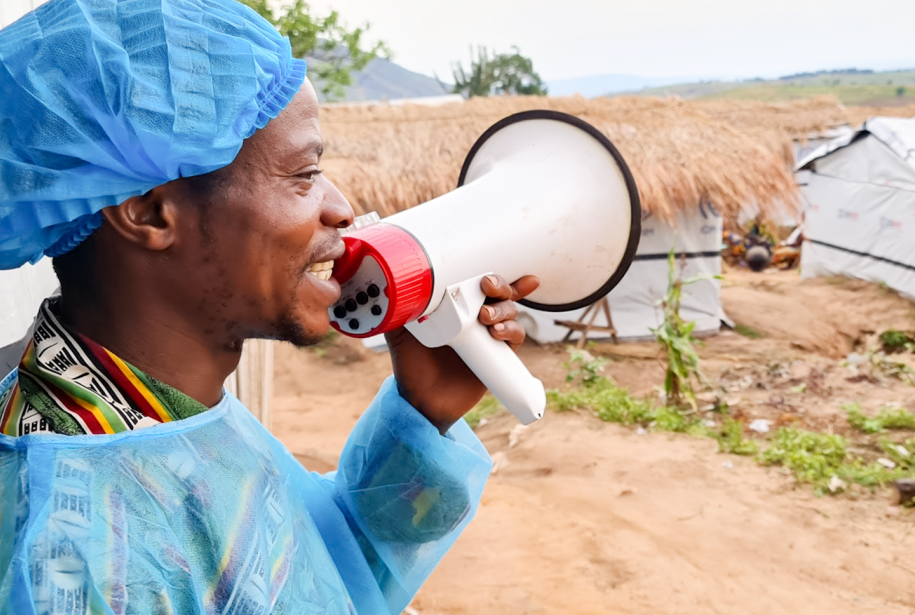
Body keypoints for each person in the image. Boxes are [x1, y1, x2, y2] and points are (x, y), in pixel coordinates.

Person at [0, 0, 538, 613]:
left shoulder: (166, 419)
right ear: (149, 211)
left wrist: (423, 412)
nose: (342, 208)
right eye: (304, 175)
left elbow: (318, 575)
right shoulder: (75, 557)